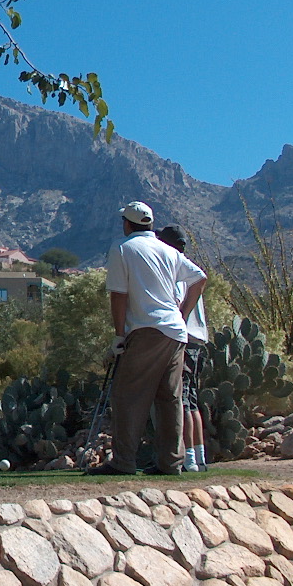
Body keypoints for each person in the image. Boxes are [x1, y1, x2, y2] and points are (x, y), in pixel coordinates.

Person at [88, 201, 206, 477]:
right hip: (175, 332)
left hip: (146, 329)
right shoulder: (167, 250)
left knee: (127, 396)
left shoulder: (123, 248)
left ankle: (123, 461)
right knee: (169, 398)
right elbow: (199, 278)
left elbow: (119, 295)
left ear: (127, 224)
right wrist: (181, 315)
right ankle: (170, 462)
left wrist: (119, 335)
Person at [157, 224, 210, 472]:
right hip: (197, 341)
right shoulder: (191, 270)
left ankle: (187, 458)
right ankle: (199, 456)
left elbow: (177, 301)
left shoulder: (177, 270)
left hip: (185, 341)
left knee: (182, 400)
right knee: (192, 400)